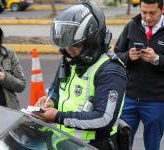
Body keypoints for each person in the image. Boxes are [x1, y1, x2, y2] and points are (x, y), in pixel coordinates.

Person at [34, 1, 127, 149]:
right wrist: (51, 101)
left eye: (76, 45)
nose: (69, 50)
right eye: (66, 45)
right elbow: (56, 90)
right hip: (64, 141)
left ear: (93, 41)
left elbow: (103, 118)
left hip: (93, 145)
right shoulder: (70, 59)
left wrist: (57, 116)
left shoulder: (111, 70)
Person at [114, 0, 164, 150]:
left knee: (152, 145)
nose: (147, 17)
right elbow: (115, 56)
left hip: (157, 100)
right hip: (129, 97)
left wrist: (157, 59)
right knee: (121, 143)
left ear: (162, 9)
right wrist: (128, 57)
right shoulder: (131, 26)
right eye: (144, 12)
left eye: (152, 13)